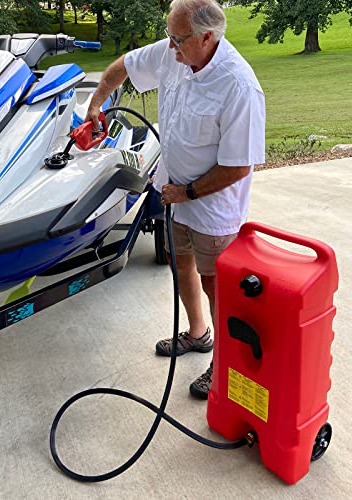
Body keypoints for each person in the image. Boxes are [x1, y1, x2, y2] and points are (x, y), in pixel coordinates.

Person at [85, 0, 265, 399]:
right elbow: (124, 67)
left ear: (207, 37)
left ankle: (226, 365)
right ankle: (198, 334)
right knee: (181, 265)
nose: (169, 46)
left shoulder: (238, 86)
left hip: (214, 207)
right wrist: (96, 102)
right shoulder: (175, 53)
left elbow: (238, 166)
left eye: (178, 39)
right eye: (169, 35)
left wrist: (188, 192)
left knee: (216, 283)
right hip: (175, 193)